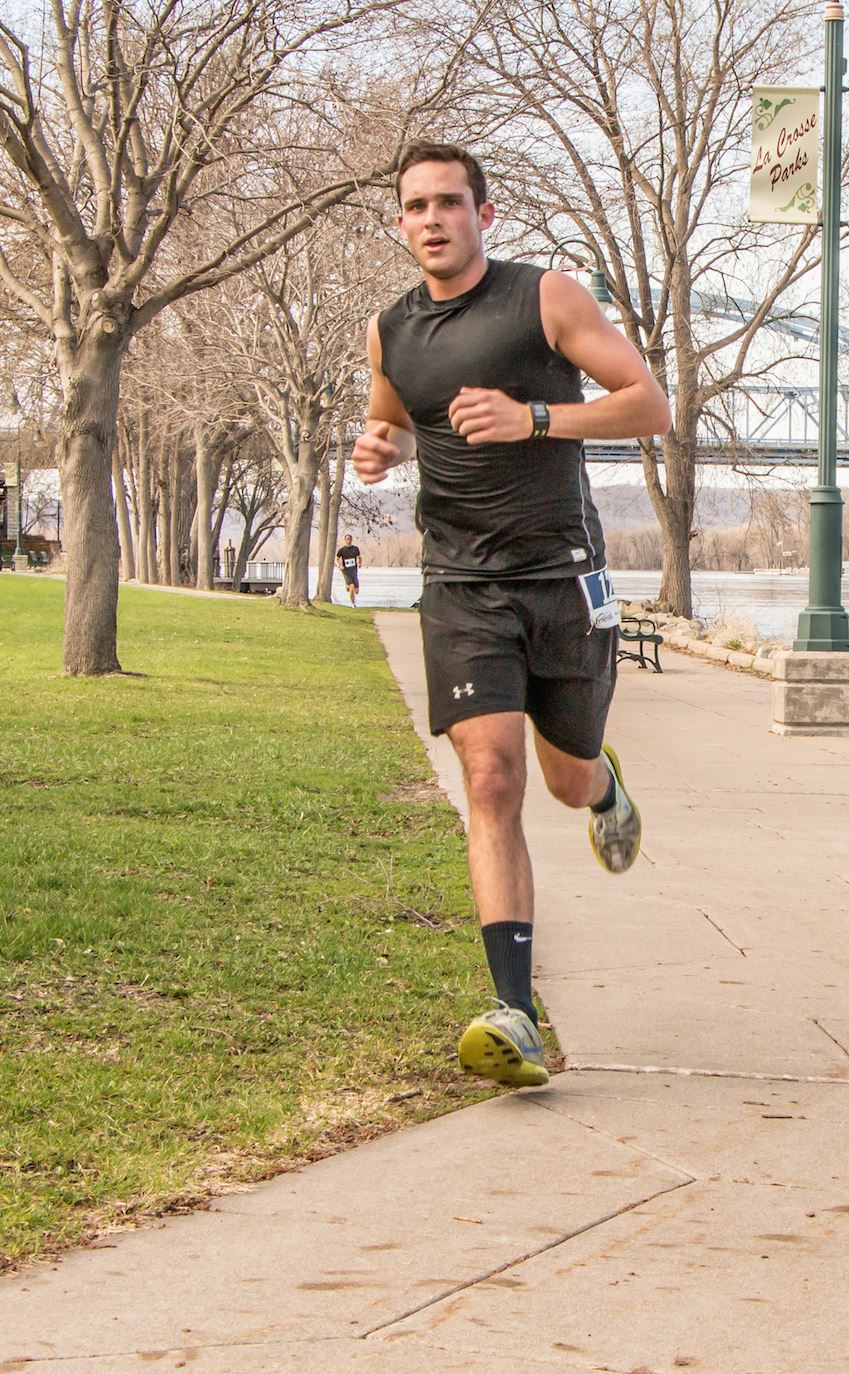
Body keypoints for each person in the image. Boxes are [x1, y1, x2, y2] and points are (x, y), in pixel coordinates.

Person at [351, 143, 671, 1090]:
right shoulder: (389, 330)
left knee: (564, 784)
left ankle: (605, 786)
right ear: (401, 222)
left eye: (450, 201)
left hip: (562, 576)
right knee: (490, 780)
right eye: (415, 206)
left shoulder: (547, 298)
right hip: (460, 585)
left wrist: (536, 418)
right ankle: (516, 1015)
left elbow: (648, 403)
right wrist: (382, 449)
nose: (432, 219)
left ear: (484, 214)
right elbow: (401, 420)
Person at [335, 532, 363, 607]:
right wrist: (339, 565)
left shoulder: (355, 549)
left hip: (353, 571)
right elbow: (337, 559)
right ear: (345, 540)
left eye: (350, 539)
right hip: (345, 571)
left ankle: (347, 586)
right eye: (347, 539)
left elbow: (359, 557)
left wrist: (359, 563)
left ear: (352, 540)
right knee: (352, 588)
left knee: (356, 591)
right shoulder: (342, 550)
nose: (349, 541)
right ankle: (353, 604)